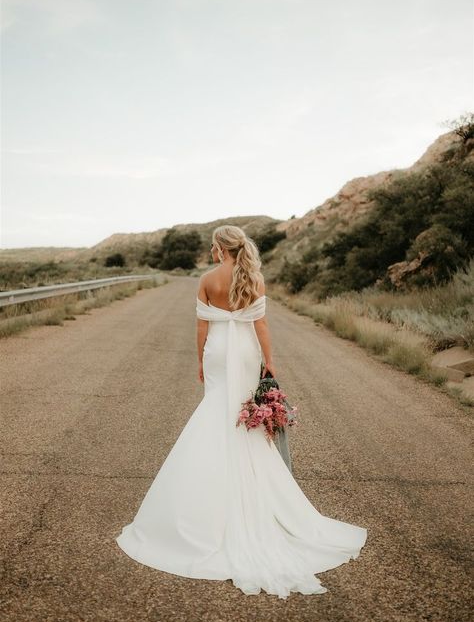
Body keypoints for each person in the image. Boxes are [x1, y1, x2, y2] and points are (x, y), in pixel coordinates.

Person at [116, 225, 367, 599]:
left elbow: (202, 327)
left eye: (212, 246)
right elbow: (261, 325)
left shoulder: (206, 279)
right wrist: (269, 362)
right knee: (242, 416)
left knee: (217, 410)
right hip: (247, 351)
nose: (211, 250)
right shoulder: (253, 277)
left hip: (218, 350)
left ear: (219, 248)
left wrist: (201, 360)